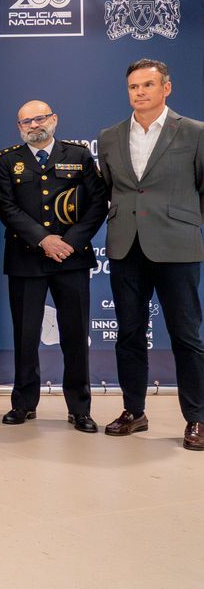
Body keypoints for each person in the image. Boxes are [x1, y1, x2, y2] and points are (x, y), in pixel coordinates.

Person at [98, 59, 204, 450]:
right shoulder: (110, 136)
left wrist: (181, 221)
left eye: (147, 85)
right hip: (126, 247)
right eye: (133, 87)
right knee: (128, 334)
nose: (139, 92)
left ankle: (197, 418)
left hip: (177, 246)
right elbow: (111, 188)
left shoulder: (194, 132)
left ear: (167, 88)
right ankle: (133, 411)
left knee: (186, 336)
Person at [0, 100, 107, 432]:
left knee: (74, 335)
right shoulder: (7, 159)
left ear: (54, 120)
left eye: (38, 118)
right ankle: (24, 404)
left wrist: (69, 242)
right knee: (26, 337)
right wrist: (43, 240)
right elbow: (6, 207)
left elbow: (98, 203)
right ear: (19, 127)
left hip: (72, 259)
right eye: (25, 121)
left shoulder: (79, 155)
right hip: (26, 257)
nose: (32, 125)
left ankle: (80, 408)